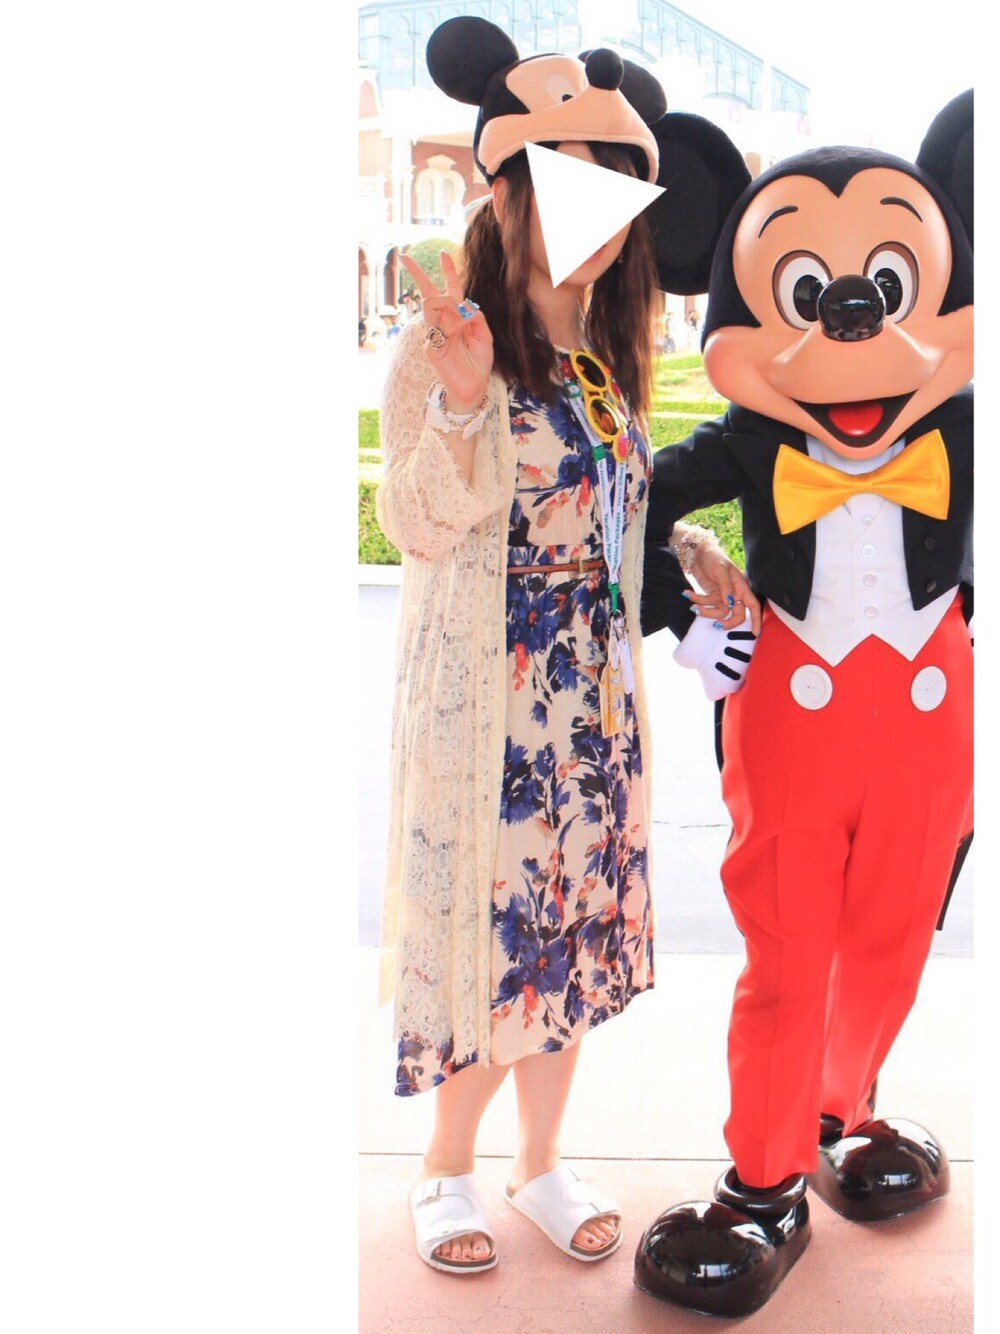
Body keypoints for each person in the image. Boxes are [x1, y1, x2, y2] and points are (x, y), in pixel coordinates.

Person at [376, 20, 758, 1278]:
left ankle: (540, 1162)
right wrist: (465, 400)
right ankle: (445, 1168)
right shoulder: (445, 345)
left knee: (571, 938)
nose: (595, 227)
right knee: (489, 939)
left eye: (614, 201)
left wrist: (685, 550)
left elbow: (613, 519)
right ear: (509, 200)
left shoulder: (606, 358)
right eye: (566, 194)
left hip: (590, 703)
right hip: (489, 704)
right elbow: (415, 521)